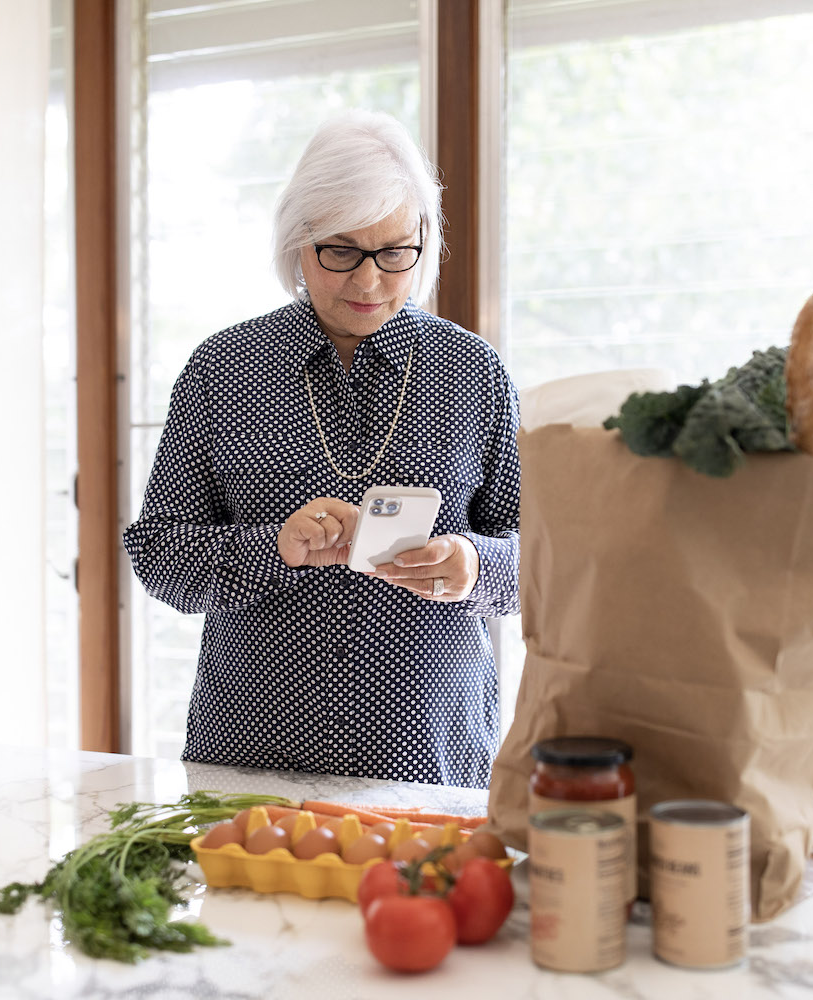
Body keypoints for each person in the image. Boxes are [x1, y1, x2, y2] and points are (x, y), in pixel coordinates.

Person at [123, 110, 521, 789]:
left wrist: (472, 566)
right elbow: (159, 554)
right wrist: (274, 546)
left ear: (424, 242)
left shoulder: (474, 373)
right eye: (341, 251)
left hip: (427, 756)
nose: (369, 282)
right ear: (296, 243)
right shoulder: (223, 369)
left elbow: (546, 565)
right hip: (251, 750)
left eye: (396, 253)